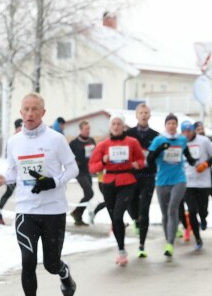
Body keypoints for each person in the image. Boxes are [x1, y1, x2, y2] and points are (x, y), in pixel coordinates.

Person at [0, 93, 78, 296]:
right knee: (28, 262)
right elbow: (13, 171)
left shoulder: (56, 139)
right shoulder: (14, 142)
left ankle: (64, 272)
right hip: (26, 211)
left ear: (43, 113)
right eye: (26, 110)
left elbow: (73, 167)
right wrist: (2, 178)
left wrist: (55, 182)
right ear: (21, 113)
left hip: (53, 211)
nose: (30, 114)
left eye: (35, 110)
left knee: (50, 264)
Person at [89, 114, 145, 266]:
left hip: (127, 181)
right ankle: (121, 250)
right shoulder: (103, 145)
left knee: (118, 215)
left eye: (119, 123)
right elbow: (92, 167)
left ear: (123, 126)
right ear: (110, 126)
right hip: (109, 183)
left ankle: (122, 249)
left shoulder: (132, 142)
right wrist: (103, 161)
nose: (116, 126)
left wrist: (136, 164)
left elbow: (141, 160)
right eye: (113, 123)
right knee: (115, 219)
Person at [146, 113, 195, 259]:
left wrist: (194, 161)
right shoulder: (158, 140)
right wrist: (160, 149)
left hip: (179, 179)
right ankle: (168, 240)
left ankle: (170, 244)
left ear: (177, 125)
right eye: (169, 123)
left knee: (173, 208)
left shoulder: (181, 139)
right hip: (161, 181)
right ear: (165, 125)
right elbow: (150, 160)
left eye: (174, 123)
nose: (172, 126)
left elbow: (187, 154)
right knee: (165, 213)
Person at [124, 103, 160, 258]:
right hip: (132, 175)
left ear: (149, 115)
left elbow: (160, 155)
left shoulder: (156, 135)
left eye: (146, 112)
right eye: (141, 113)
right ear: (136, 115)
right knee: (130, 205)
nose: (144, 115)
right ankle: (135, 219)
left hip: (148, 176)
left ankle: (141, 245)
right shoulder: (129, 134)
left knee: (144, 209)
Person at [181, 121, 212, 251]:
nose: (187, 134)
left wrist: (206, 165)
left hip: (203, 182)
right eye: (184, 132)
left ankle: (204, 217)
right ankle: (197, 238)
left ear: (194, 131)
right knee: (191, 211)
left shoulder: (204, 141)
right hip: (188, 181)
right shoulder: (180, 142)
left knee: (203, 209)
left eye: (189, 131)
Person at [68, 121, 98, 226]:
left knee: (88, 195)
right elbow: (67, 156)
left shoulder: (91, 140)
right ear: (81, 130)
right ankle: (76, 212)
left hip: (88, 170)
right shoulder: (74, 143)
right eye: (86, 129)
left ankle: (78, 216)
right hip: (79, 171)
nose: (88, 131)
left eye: (89, 129)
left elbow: (96, 153)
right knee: (90, 193)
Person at [0, 118, 22, 225]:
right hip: (14, 172)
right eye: (20, 127)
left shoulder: (22, 138)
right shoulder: (13, 139)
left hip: (22, 171)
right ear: (17, 127)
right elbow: (10, 158)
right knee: (9, 192)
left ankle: (21, 216)